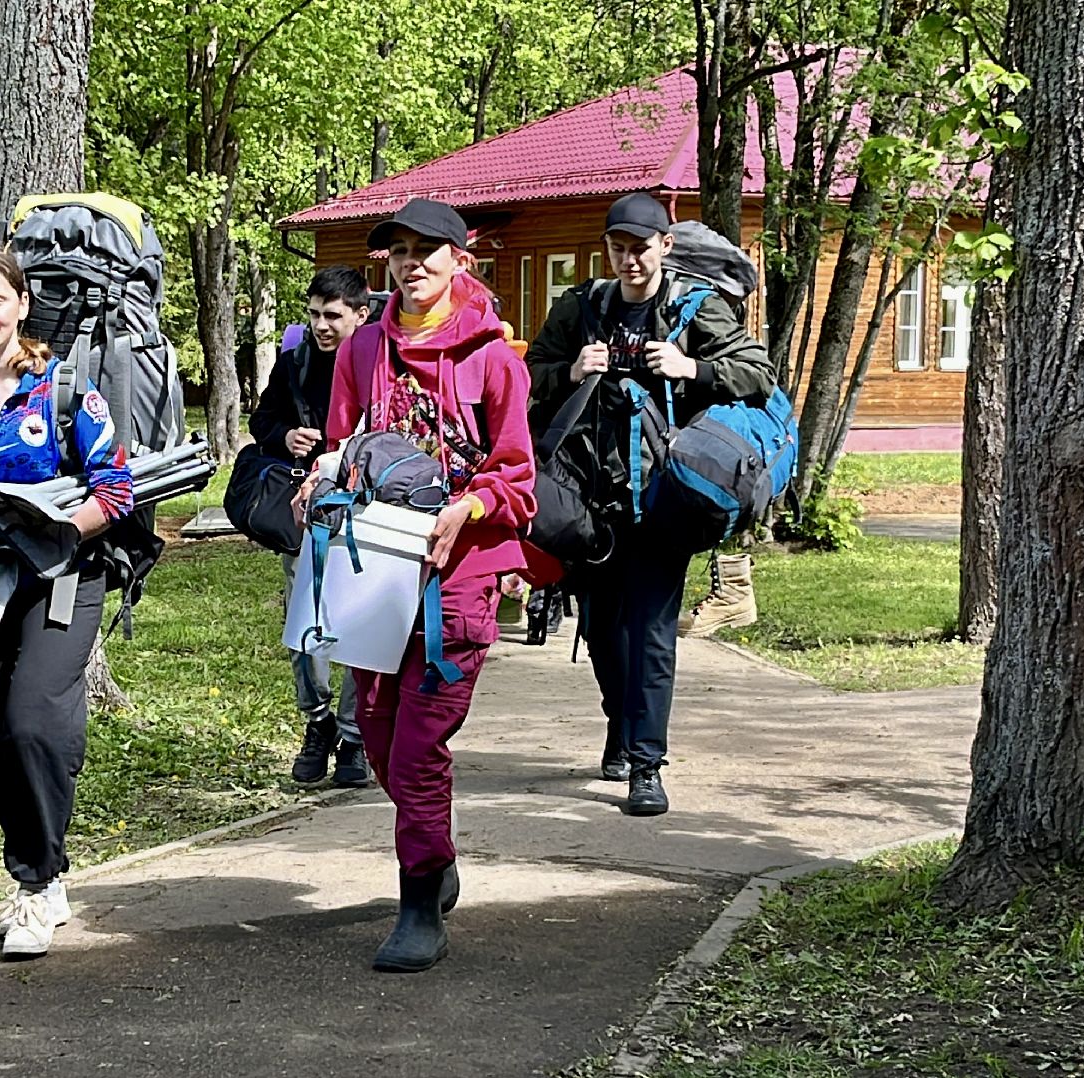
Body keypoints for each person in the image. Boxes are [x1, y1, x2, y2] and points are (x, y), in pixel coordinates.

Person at [299, 198, 537, 973]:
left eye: (428, 249)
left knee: (416, 750)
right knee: (375, 736)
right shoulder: (360, 348)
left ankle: (417, 902)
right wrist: (318, 479)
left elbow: (518, 482)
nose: (413, 263)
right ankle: (438, 856)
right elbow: (344, 448)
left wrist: (466, 506)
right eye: (400, 251)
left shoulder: (494, 357)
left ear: (460, 258)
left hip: (458, 583)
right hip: (376, 575)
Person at [0, 247, 134, 959]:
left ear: (21, 305)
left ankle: (35, 889)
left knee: (35, 721)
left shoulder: (65, 391)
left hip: (66, 579)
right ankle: (45, 867)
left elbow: (117, 491)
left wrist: (59, 531)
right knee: (6, 733)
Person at [525, 193, 774, 817]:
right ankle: (620, 721)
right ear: (606, 248)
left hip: (664, 500)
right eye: (619, 247)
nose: (629, 259)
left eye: (641, 247)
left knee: (653, 633)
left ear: (665, 246)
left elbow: (756, 373)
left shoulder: (696, 309)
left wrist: (689, 366)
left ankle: (646, 763)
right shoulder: (581, 308)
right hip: (588, 501)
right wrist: (571, 370)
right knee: (604, 632)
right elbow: (529, 376)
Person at [249, 266, 373, 787]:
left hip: (366, 509)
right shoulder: (294, 362)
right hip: (306, 508)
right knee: (306, 620)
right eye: (314, 314)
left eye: (333, 316)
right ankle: (317, 721)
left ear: (360, 316)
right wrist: (286, 438)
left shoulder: (376, 364)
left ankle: (352, 735)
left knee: (360, 628)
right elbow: (262, 423)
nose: (321, 326)